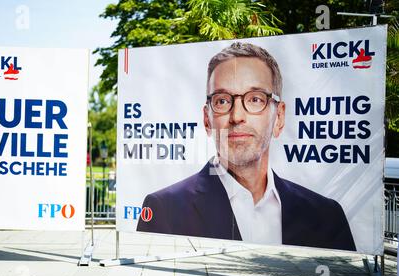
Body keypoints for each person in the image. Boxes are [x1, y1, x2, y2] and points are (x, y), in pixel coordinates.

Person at [137, 42, 356, 251]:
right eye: (222, 100)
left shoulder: (327, 215)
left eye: (255, 99)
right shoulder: (164, 209)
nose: (237, 116)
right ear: (207, 120)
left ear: (279, 117)